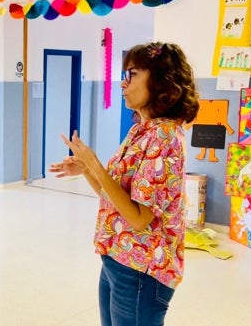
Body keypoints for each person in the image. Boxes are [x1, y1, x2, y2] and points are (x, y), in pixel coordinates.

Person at [50, 42, 200, 326]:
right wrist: (86, 170)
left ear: (159, 81)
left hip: (141, 270)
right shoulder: (141, 130)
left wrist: (95, 164)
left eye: (132, 74)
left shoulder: (164, 137)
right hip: (118, 260)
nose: (123, 83)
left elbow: (139, 218)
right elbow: (115, 200)